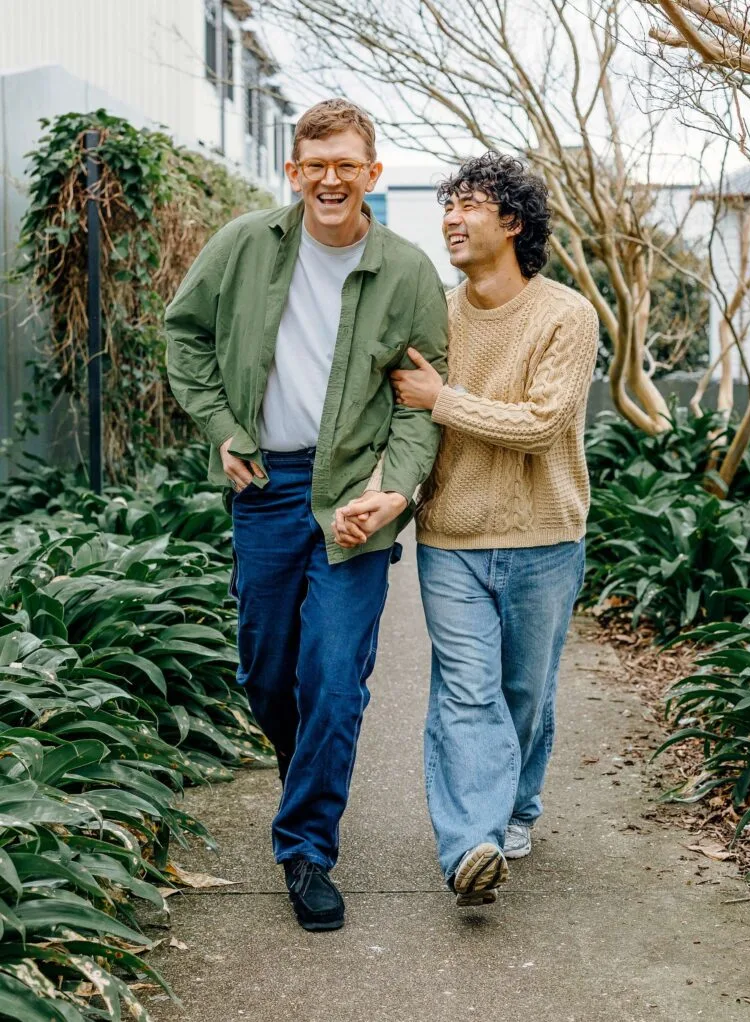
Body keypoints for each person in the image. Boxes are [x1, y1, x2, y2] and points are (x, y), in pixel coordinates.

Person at [165, 99, 448, 932]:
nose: (330, 179)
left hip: (352, 500)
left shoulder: (406, 272)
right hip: (264, 488)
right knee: (265, 672)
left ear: (372, 173)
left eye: (346, 165)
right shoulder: (245, 245)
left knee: (333, 678)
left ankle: (306, 850)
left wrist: (392, 491)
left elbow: (417, 404)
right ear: (293, 171)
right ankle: (309, 774)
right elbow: (183, 334)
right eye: (314, 164)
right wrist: (221, 426)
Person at [339, 151, 598, 907]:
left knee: (524, 693)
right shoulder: (437, 316)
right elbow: (404, 423)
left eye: (469, 205)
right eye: (447, 206)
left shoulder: (565, 315)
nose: (450, 218)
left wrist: (441, 397)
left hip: (544, 540)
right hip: (450, 539)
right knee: (465, 693)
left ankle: (513, 809)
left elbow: (543, 426)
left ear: (512, 223)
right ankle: (470, 846)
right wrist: (386, 493)